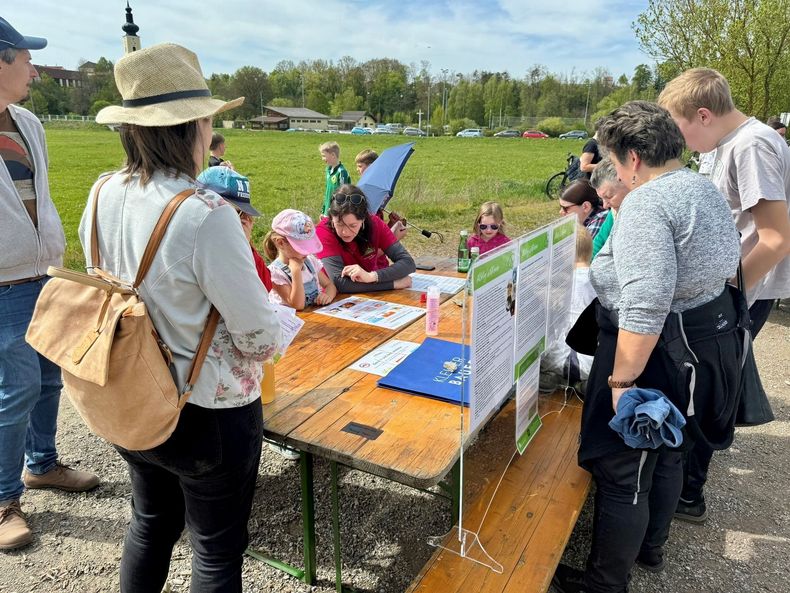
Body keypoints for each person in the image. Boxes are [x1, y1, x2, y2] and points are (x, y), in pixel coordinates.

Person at [84, 43, 281, 592]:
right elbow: (260, 338)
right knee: (215, 552)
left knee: (150, 524)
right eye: (208, 120)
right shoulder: (205, 213)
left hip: (131, 390)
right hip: (204, 410)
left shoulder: (102, 191)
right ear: (192, 125)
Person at [551, 101, 743, 593]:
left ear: (633, 158)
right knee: (668, 451)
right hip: (696, 344)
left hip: (650, 353)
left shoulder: (647, 203)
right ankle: (650, 547)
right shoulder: (701, 187)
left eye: (615, 163)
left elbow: (646, 301)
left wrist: (621, 381)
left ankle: (604, 583)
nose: (614, 173)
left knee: (624, 469)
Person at [659, 68, 790, 521]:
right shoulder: (728, 143)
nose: (679, 142)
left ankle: (688, 493)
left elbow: (776, 238)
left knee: (708, 385)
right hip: (731, 287)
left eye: (679, 129)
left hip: (740, 291)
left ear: (703, 115)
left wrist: (729, 294)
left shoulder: (752, 146)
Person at [0, 16, 100, 551]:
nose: (34, 70)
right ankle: (3, 500)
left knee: (48, 380)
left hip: (45, 275)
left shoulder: (28, 124)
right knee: (14, 390)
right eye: (26, 58)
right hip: (3, 285)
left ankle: (42, 464)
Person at [316, 184, 415, 293]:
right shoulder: (323, 231)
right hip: (336, 297)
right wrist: (393, 284)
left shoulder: (375, 224)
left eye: (353, 225)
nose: (345, 232)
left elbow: (408, 262)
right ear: (331, 218)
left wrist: (372, 276)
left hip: (370, 292)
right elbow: (340, 283)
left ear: (363, 218)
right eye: (339, 224)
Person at [539, 225, 596, 393]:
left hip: (564, 360)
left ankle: (555, 375)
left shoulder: (567, 284)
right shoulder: (596, 278)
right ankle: (584, 382)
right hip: (594, 363)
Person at [196, 166, 272, 291]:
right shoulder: (201, 242)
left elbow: (265, 286)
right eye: (233, 212)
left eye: (242, 213)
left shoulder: (236, 237)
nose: (241, 220)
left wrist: (246, 246)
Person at [263, 209, 337, 310]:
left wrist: (327, 295)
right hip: (291, 319)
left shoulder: (309, 261)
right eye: (302, 247)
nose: (307, 252)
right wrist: (296, 272)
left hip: (313, 317)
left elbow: (329, 285)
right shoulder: (275, 273)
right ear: (280, 243)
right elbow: (297, 305)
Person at [589, 157, 629, 259]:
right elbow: (598, 243)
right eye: (601, 198)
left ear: (628, 183)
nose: (605, 205)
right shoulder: (614, 213)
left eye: (609, 196)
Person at [320, 141, 351, 217]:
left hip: (336, 212)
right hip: (327, 211)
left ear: (333, 155)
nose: (322, 159)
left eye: (324, 156)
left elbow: (344, 194)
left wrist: (337, 210)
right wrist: (323, 210)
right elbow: (327, 193)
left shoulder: (341, 172)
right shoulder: (328, 170)